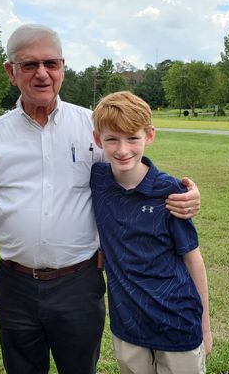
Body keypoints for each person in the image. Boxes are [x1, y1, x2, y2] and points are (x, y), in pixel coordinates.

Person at [0, 24, 201, 374]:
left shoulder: (90, 126)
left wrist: (182, 192)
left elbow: (131, 170)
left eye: (51, 63)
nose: (42, 73)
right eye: (29, 65)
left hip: (78, 285)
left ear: (63, 67)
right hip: (15, 287)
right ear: (11, 72)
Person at [90, 91, 212, 374]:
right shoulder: (96, 180)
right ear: (98, 141)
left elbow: (193, 259)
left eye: (133, 138)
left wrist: (205, 327)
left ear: (149, 135)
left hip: (178, 322)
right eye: (112, 140)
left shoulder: (170, 192)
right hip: (127, 326)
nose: (123, 150)